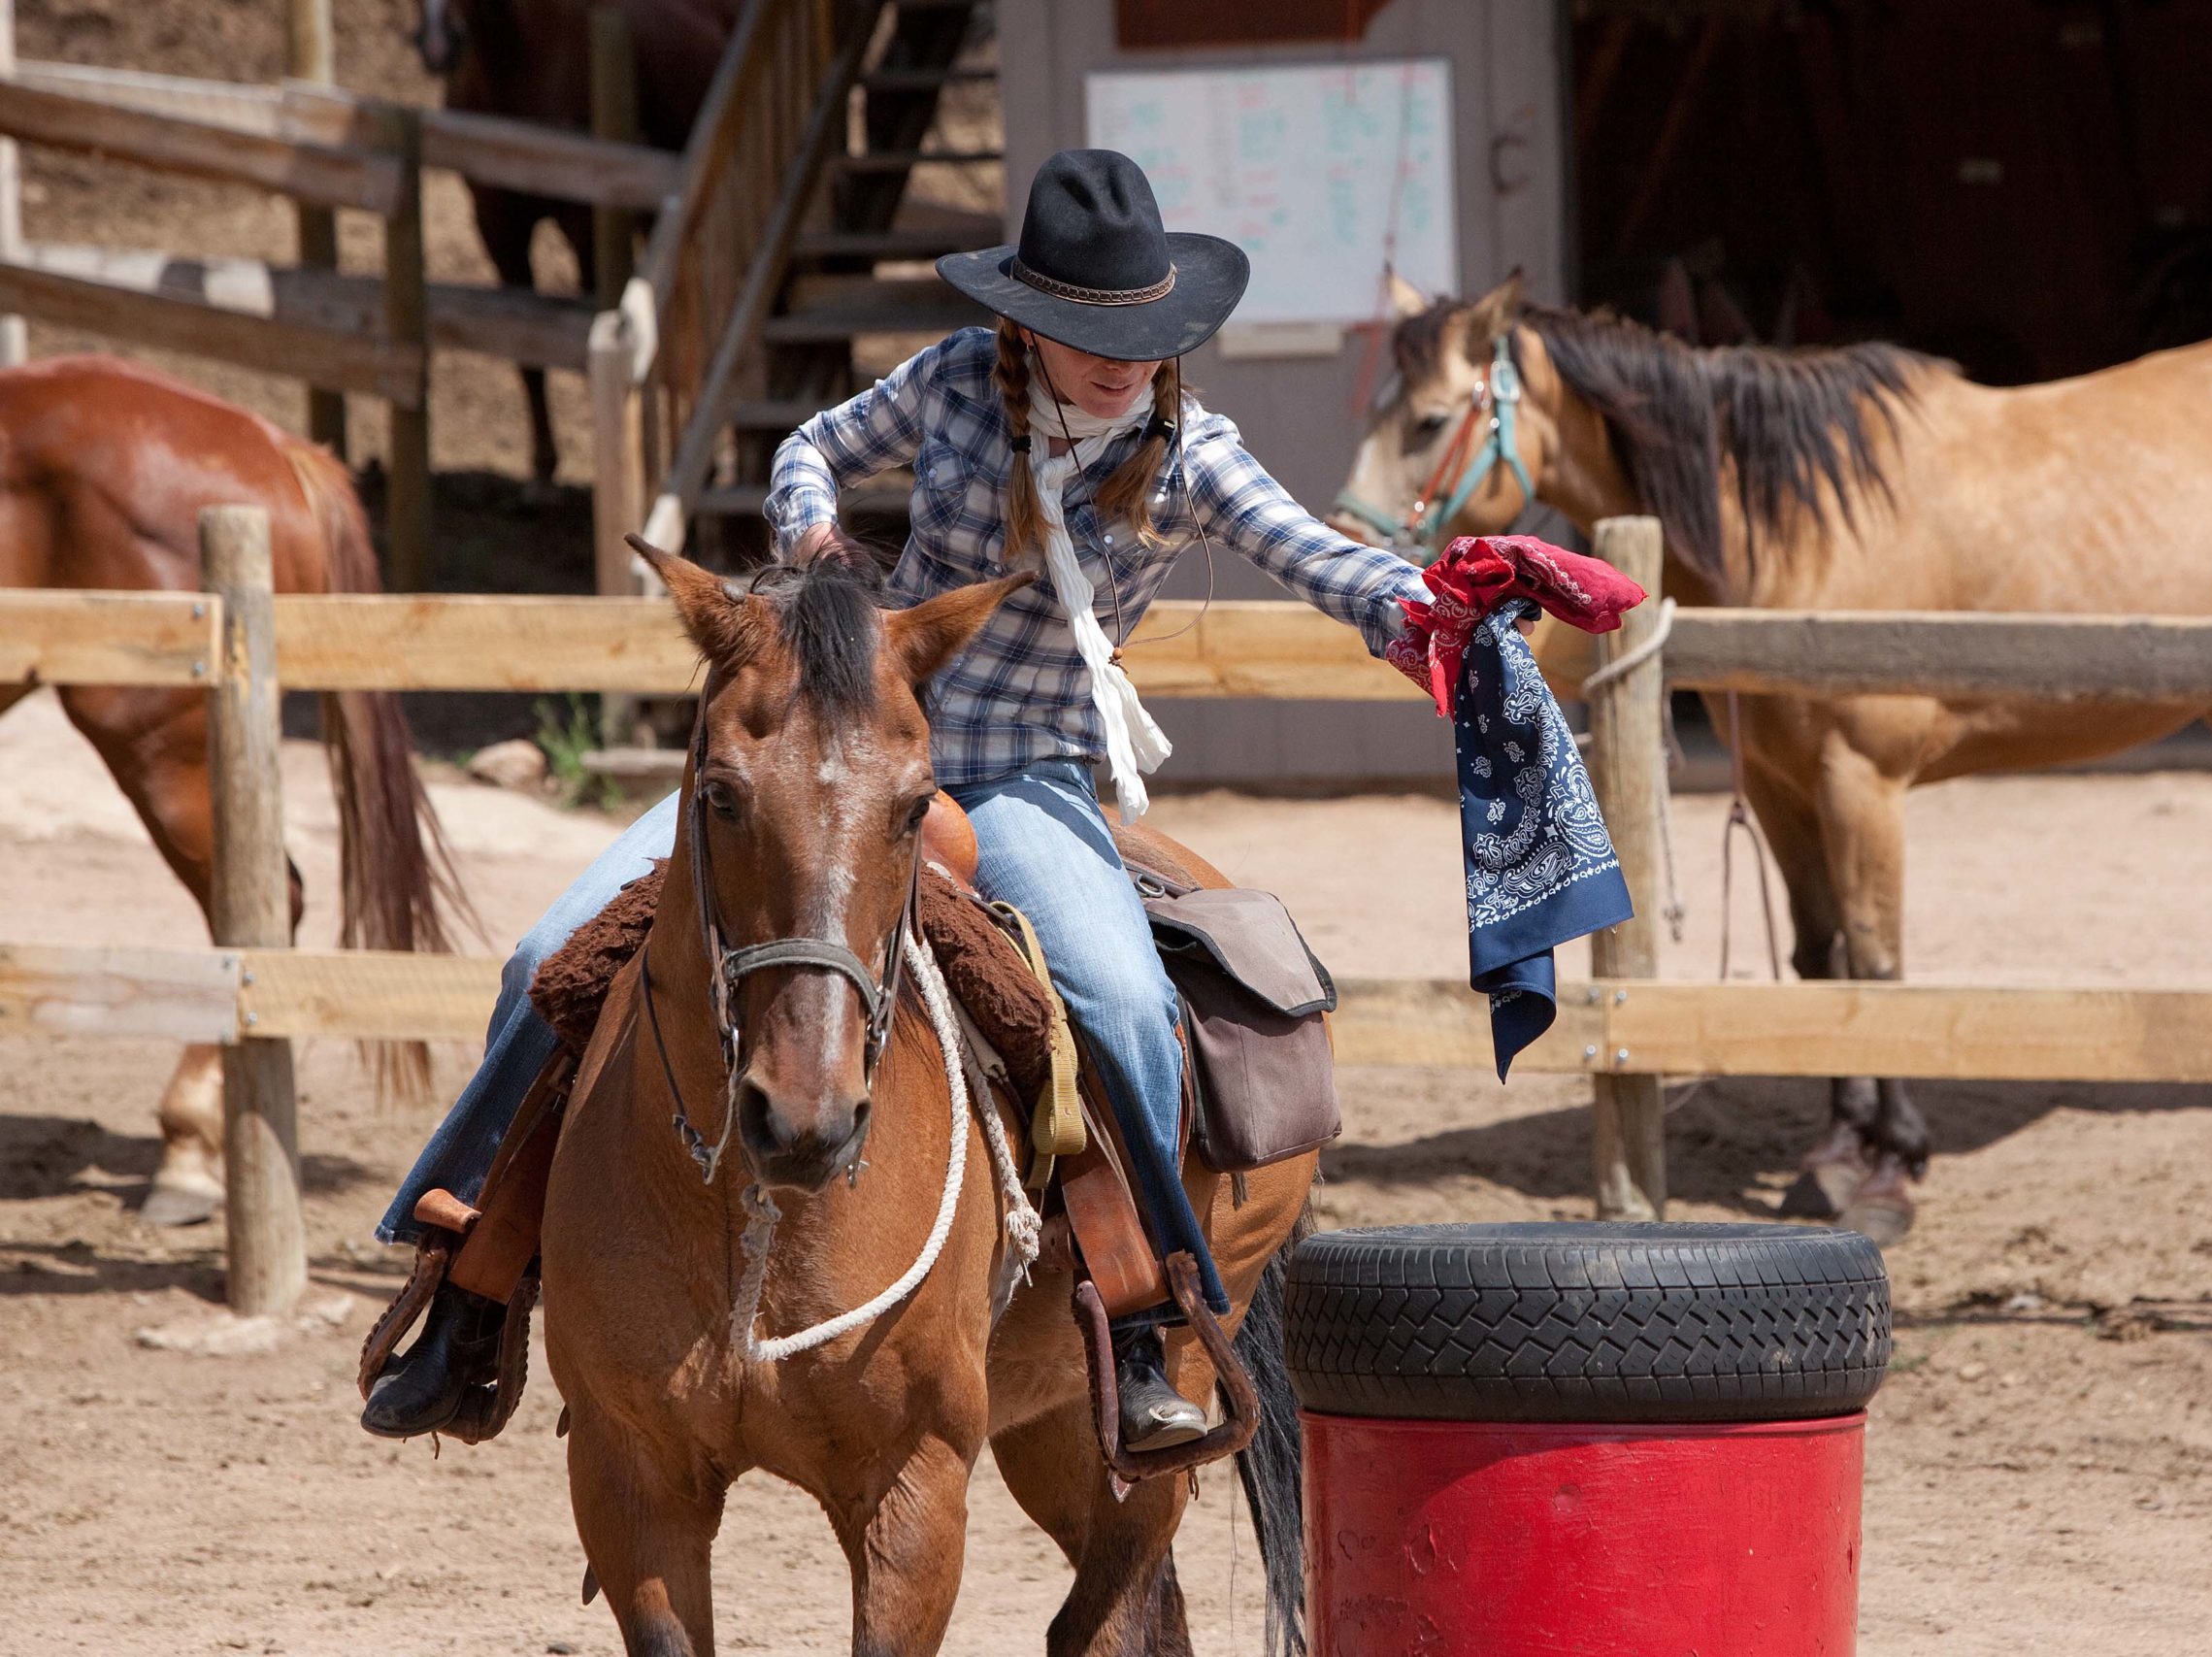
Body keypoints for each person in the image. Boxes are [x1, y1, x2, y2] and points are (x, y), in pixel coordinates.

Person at [361, 149, 1431, 1451]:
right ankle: (473, 1284)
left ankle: (1150, 1321)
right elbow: (813, 447)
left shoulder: (1194, 457)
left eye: (1146, 336)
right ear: (1025, 323)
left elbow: (1315, 553)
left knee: (1128, 1001)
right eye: (1091, 333)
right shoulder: (947, 390)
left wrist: (1434, 608)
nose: (1121, 360)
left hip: (1025, 776)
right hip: (853, 750)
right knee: (551, 954)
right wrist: (815, 538)